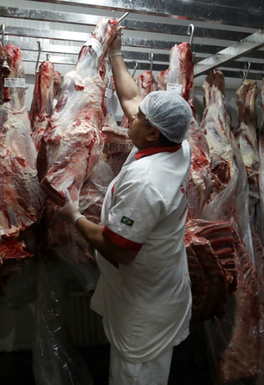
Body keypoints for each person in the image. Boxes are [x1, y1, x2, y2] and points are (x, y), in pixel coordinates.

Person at [57, 32, 193, 385]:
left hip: (144, 304)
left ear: (152, 133)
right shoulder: (177, 145)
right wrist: (115, 53)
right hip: (158, 283)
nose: (131, 117)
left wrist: (73, 215)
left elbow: (118, 249)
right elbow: (132, 99)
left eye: (139, 119)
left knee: (136, 374)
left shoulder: (147, 181)